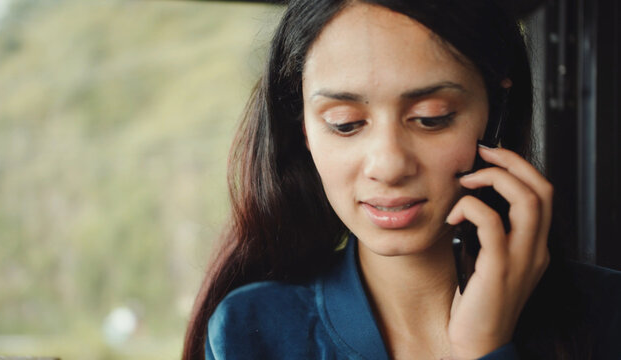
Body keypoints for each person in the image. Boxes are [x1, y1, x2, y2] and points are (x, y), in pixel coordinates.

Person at [182, 0, 621, 359]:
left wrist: (486, 349)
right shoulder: (256, 330)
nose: (389, 165)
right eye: (345, 123)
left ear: (495, 112)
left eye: (432, 119)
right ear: (303, 131)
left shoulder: (607, 314)